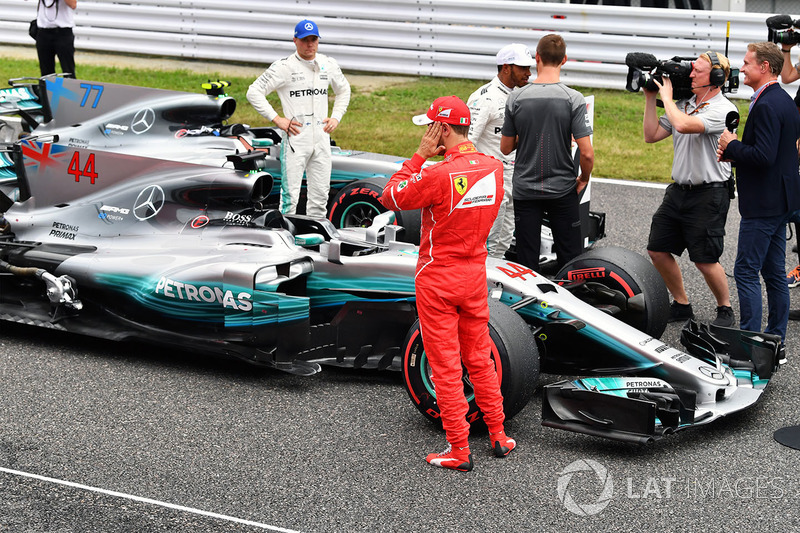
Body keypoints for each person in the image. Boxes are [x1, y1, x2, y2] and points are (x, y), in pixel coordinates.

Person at [380, 96, 515, 472]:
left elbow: (390, 196)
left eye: (429, 127)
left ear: (440, 129)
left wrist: (420, 155)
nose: (425, 133)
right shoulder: (494, 168)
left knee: (445, 365)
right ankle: (499, 435)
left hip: (438, 278)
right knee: (479, 358)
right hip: (475, 275)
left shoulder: (438, 174)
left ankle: (458, 449)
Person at [641, 51, 737, 327]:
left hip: (710, 192)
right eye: (691, 69)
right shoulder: (683, 104)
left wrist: (668, 100)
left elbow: (683, 126)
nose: (690, 74)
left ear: (716, 78)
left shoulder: (724, 109)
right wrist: (650, 97)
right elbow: (651, 136)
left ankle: (725, 307)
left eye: (698, 70)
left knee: (704, 259)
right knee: (658, 249)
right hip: (679, 189)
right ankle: (682, 303)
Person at [717, 42, 800, 342]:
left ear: (764, 67)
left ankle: (749, 343)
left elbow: (764, 156)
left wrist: (732, 146)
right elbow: (777, 153)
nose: (741, 67)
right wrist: (736, 154)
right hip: (782, 201)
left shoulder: (765, 104)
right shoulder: (785, 99)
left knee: (747, 271)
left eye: (747, 63)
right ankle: (774, 339)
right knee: (775, 272)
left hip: (764, 205)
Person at [500, 33, 594, 273]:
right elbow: (587, 154)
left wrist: (530, 132)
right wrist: (583, 178)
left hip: (525, 189)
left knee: (526, 260)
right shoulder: (573, 99)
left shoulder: (515, 98)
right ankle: (571, 302)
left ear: (537, 58)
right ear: (564, 60)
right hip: (563, 188)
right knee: (570, 258)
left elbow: (506, 147)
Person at [246, 19, 351, 218]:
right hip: (296, 139)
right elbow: (254, 92)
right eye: (304, 40)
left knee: (320, 197)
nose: (310, 44)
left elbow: (344, 90)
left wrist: (336, 117)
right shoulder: (283, 67)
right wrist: (277, 119)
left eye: (314, 39)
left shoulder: (328, 64)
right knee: (290, 198)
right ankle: (286, 240)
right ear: (295, 40)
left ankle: (315, 241)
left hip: (321, 137)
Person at [467, 43, 533, 259]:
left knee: (502, 244)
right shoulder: (484, 97)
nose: (528, 73)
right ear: (506, 68)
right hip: (491, 185)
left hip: (514, 181)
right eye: (523, 68)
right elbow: (466, 143)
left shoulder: (518, 97)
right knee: (489, 245)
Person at [34, 0, 78, 78]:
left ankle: (69, 90)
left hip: (63, 32)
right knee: (46, 73)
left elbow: (73, 4)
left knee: (68, 71)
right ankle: (48, 90)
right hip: (44, 31)